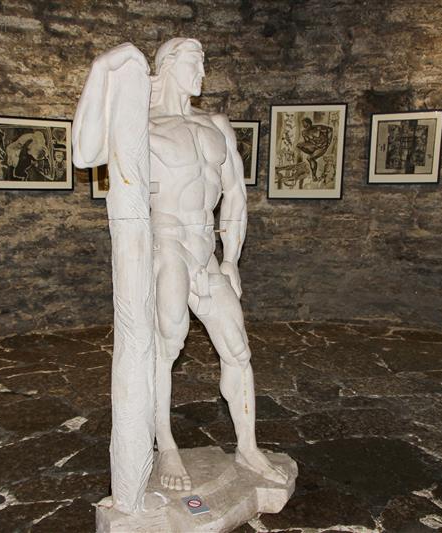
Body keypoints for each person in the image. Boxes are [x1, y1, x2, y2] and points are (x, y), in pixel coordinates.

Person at [146, 38, 287, 491]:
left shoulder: (216, 124)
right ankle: (165, 444)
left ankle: (247, 446)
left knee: (238, 349)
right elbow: (90, 157)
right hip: (166, 242)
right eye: (195, 62)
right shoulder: (142, 124)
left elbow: (235, 195)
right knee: (167, 344)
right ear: (168, 66)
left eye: (205, 63)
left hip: (207, 249)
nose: (202, 72)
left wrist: (231, 259)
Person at [296, 116, 332, 180]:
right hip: (314, 146)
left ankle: (314, 175)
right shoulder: (304, 132)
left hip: (322, 147)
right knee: (299, 145)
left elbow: (330, 130)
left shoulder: (318, 128)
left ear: (309, 123)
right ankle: (311, 156)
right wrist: (308, 146)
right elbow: (308, 141)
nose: (304, 125)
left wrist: (329, 141)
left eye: (305, 124)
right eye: (303, 124)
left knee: (310, 158)